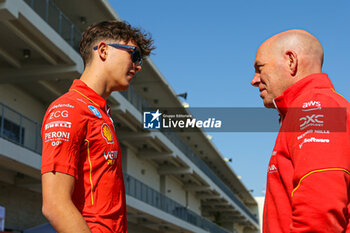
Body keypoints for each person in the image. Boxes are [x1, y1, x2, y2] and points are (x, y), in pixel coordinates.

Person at [41, 20, 154, 233]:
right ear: (103, 50)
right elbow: (55, 205)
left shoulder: (100, 113)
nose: (138, 66)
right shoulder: (70, 107)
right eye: (134, 55)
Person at [251, 29, 350, 232]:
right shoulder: (305, 110)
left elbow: (319, 215)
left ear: (291, 61)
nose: (254, 80)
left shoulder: (316, 106)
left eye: (260, 68)